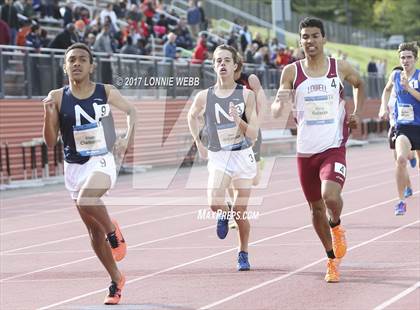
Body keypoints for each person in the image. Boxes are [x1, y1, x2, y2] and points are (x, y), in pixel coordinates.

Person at [271, 17, 365, 283]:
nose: (310, 41)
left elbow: (359, 83)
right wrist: (278, 107)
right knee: (314, 210)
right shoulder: (291, 71)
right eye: (305, 37)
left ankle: (337, 224)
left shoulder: (339, 67)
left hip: (333, 147)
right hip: (305, 152)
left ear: (324, 39)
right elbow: (279, 101)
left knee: (330, 196)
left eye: (314, 36)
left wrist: (356, 112)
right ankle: (331, 260)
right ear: (299, 41)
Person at [42, 43, 136, 305]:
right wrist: (48, 114)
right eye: (71, 59)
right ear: (65, 66)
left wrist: (128, 138)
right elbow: (50, 141)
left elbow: (131, 111)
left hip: (102, 160)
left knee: (87, 201)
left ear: (91, 66)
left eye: (83, 59)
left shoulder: (105, 91)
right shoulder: (58, 97)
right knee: (93, 236)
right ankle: (116, 280)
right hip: (74, 167)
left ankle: (113, 232)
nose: (77, 63)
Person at [188, 44, 259, 271]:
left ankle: (243, 253)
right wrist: (199, 142)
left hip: (242, 156)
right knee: (214, 202)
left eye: (227, 60)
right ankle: (223, 212)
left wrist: (238, 119)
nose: (222, 64)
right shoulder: (204, 96)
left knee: (241, 213)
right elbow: (192, 116)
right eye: (218, 61)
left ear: (235, 66)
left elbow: (254, 132)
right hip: (219, 155)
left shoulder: (246, 95)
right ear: (213, 66)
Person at [379, 42, 420, 215]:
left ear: (416, 59)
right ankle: (401, 201)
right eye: (402, 57)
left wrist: (408, 88)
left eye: (409, 57)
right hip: (403, 126)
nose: (405, 60)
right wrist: (382, 107)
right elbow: (386, 90)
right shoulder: (395, 75)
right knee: (401, 159)